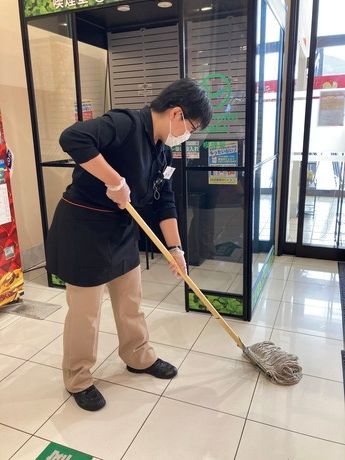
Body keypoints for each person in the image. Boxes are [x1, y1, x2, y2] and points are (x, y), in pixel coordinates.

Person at [46, 78, 212, 411]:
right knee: (86, 312)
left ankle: (138, 356)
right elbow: (72, 137)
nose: (188, 135)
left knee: (130, 301)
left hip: (121, 232)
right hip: (84, 230)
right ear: (176, 113)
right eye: (191, 127)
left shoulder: (161, 149)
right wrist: (114, 180)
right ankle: (77, 377)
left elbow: (165, 199)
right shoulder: (124, 123)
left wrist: (176, 249)